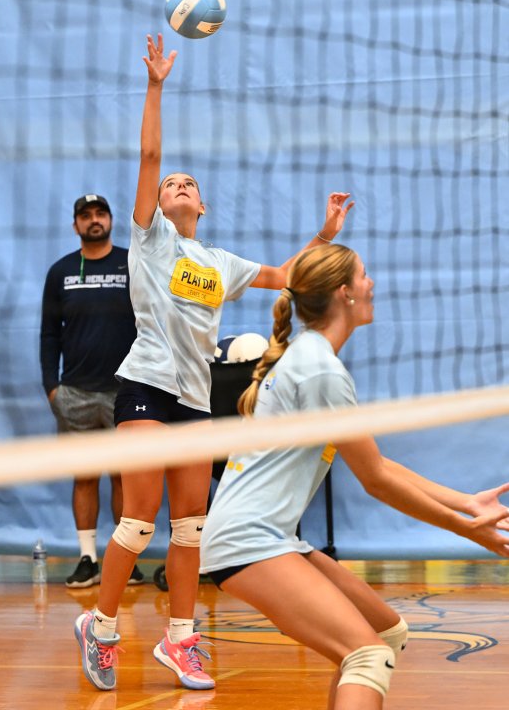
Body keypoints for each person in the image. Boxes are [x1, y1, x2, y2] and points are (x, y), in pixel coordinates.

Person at [73, 33, 354, 693]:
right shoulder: (148, 239)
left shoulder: (219, 263)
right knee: (138, 522)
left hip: (196, 398)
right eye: (170, 182)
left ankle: (180, 641)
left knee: (191, 527)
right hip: (144, 383)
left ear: (200, 206)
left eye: (186, 184)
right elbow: (148, 153)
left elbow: (288, 276)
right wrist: (156, 85)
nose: (175, 185)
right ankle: (102, 626)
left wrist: (323, 237)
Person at [199, 243, 509, 710]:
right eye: (363, 275)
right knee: (367, 657)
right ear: (344, 293)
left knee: (387, 634)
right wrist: (465, 529)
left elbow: (378, 464)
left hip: (269, 536)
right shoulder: (319, 370)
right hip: (248, 540)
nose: (372, 284)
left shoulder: (310, 357)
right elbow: (376, 480)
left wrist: (467, 503)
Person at [40, 194, 143, 588]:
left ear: (111, 220)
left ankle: (126, 560)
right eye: (86, 216)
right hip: (76, 393)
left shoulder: (131, 264)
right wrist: (53, 389)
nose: (94, 220)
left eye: (100, 213)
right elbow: (49, 335)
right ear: (76, 225)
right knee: (84, 478)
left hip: (125, 392)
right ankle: (88, 558)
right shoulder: (60, 271)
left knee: (124, 478)